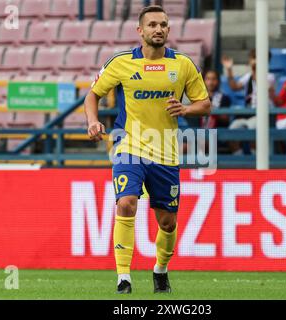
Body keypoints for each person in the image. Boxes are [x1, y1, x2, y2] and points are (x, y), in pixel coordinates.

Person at [84, 5, 210, 294]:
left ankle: (160, 270)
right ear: (140, 31)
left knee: (167, 222)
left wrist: (188, 108)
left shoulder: (183, 65)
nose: (158, 29)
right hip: (128, 145)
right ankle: (123, 278)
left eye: (163, 24)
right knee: (126, 203)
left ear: (168, 30)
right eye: (152, 24)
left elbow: (205, 103)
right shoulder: (121, 63)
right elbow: (93, 95)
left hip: (166, 151)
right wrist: (92, 121)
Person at [222, 49, 275, 154]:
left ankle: (255, 158)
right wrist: (229, 69)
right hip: (249, 112)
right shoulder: (248, 76)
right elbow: (234, 87)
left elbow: (260, 81)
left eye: (258, 58)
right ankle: (239, 157)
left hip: (263, 114)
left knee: (253, 129)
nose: (255, 61)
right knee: (232, 129)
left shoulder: (269, 76)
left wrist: (256, 69)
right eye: (253, 58)